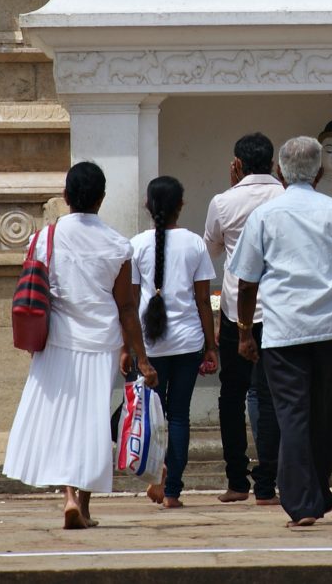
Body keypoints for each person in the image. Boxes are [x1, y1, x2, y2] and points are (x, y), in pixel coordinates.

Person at [229, 135, 332, 528]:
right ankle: (313, 491)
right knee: (324, 413)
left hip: (283, 330)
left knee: (293, 414)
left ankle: (304, 499)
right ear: (318, 173)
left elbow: (246, 283)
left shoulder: (264, 216)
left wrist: (244, 331)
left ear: (281, 171)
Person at [3, 161, 158, 530]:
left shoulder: (44, 238)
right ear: (101, 199)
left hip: (56, 339)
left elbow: (35, 288)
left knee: (61, 420)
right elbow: (126, 307)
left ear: (67, 196)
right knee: (91, 421)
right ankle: (83, 508)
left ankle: (69, 497)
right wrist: (141, 355)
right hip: (100, 342)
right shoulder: (118, 245)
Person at [204, 132, 283, 505]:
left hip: (238, 311)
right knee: (271, 396)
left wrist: (234, 193)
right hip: (281, 310)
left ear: (237, 165)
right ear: (271, 163)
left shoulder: (223, 201)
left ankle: (237, 480)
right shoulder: (285, 197)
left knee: (232, 396)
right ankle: (267, 483)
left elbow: (212, 250)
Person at [131, 175, 217, 509]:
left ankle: (156, 475)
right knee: (179, 415)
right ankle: (172, 491)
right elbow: (203, 302)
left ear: (147, 206)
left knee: (152, 416)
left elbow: (128, 304)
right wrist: (211, 346)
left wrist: (129, 348)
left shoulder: (136, 244)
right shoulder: (195, 243)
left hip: (149, 348)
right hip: (187, 343)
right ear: (181, 205)